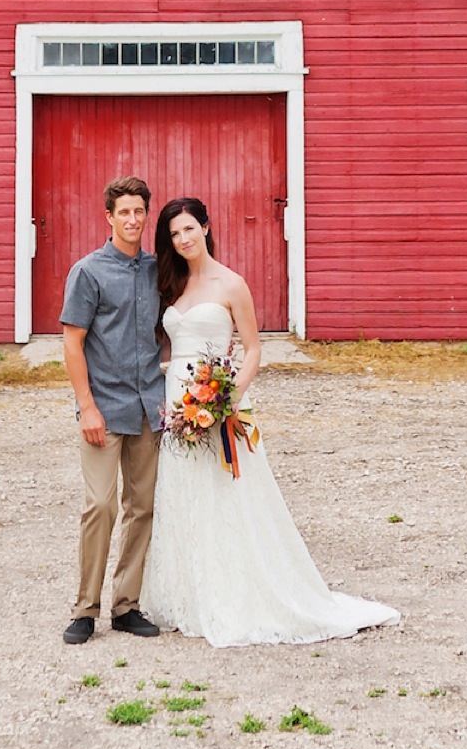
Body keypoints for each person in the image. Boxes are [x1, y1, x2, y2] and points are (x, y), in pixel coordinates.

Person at [140, 195, 400, 647]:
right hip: (177, 405)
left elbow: (254, 348)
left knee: (225, 498)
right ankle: (190, 594)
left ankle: (236, 593)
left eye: (188, 229)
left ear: (205, 226)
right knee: (184, 496)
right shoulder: (173, 284)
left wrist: (227, 398)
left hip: (216, 405)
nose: (182, 239)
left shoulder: (231, 284)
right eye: (173, 233)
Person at [58, 175, 165, 644]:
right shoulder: (88, 271)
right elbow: (72, 342)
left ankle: (127, 605)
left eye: (140, 211)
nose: (133, 219)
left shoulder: (157, 271)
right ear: (109, 217)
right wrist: (87, 408)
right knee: (100, 506)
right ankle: (85, 608)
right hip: (104, 408)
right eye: (124, 212)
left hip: (149, 407)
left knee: (141, 508)